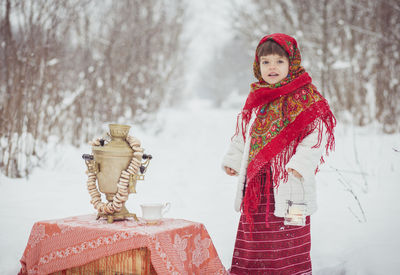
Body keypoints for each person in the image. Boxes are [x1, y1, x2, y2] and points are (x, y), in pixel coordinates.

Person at [222, 33, 336, 275]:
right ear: (257, 65)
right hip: (257, 184)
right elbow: (245, 134)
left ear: (292, 63)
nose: (272, 67)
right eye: (266, 62)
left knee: (289, 233)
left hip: (290, 180)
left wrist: (299, 164)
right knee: (256, 234)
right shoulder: (258, 98)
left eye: (279, 61)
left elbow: (317, 136)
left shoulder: (305, 97)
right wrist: (233, 159)